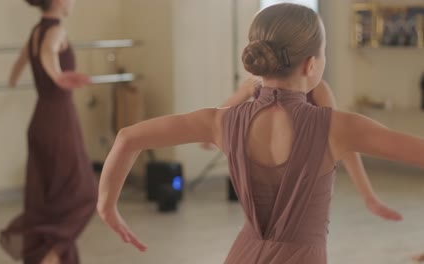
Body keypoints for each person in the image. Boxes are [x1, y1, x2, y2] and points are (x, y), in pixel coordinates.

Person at [97, 4, 424, 263]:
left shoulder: (219, 122)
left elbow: (127, 137)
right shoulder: (339, 126)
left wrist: (107, 206)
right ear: (311, 64)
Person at [201, 77, 401, 221]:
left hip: (307, 182)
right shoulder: (257, 85)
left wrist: (369, 197)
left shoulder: (317, 88)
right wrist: (213, 136)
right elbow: (217, 121)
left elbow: (345, 144)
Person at [0, 0, 97, 263]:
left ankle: (53, 256)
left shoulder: (35, 31)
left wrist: (14, 78)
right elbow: (48, 53)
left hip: (40, 119)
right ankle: (51, 257)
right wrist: (57, 76)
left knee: (50, 203)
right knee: (86, 194)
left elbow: (21, 64)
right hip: (59, 122)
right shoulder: (56, 31)